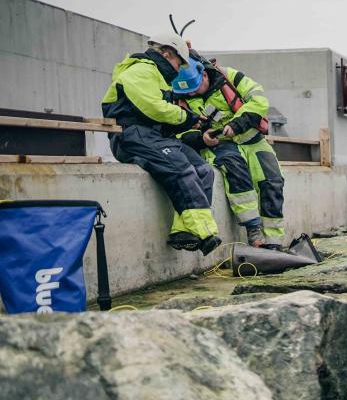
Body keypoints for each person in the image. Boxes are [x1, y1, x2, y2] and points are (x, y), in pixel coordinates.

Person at [100, 33, 222, 255]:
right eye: (179, 62)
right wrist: (188, 117)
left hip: (154, 136)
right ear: (166, 53)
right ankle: (205, 233)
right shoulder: (139, 71)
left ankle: (184, 232)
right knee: (181, 169)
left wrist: (192, 124)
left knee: (204, 170)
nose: (179, 69)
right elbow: (154, 108)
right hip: (131, 136)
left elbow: (159, 116)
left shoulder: (157, 77)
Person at [175, 57, 285, 248]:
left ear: (204, 74)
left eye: (194, 87)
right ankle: (254, 233)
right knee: (236, 171)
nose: (192, 93)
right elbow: (180, 130)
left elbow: (259, 100)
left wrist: (237, 124)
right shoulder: (180, 96)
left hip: (252, 140)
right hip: (221, 145)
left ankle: (275, 244)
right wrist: (202, 139)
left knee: (272, 182)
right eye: (188, 91)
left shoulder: (230, 77)